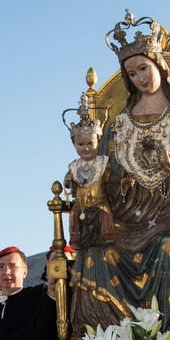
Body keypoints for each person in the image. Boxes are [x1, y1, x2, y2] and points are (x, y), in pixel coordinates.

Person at [69, 11, 170, 340]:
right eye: (131, 72)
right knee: (95, 252)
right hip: (129, 210)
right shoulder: (118, 125)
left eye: (143, 68)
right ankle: (106, 336)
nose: (139, 77)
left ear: (160, 66)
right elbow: (105, 172)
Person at [62, 96, 114, 248]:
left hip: (99, 201)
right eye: (81, 144)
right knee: (76, 214)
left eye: (90, 143)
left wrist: (121, 181)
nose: (86, 148)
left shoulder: (102, 162)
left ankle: (106, 236)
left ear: (98, 142)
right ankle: (78, 240)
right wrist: (68, 180)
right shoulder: (74, 166)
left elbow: (110, 177)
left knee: (102, 212)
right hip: (81, 204)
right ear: (74, 145)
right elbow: (68, 181)